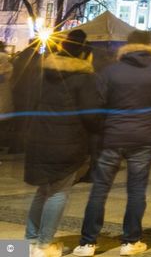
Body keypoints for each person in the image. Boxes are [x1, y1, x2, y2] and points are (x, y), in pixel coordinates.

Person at [74, 30, 151, 257]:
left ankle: (87, 243)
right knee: (136, 190)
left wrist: (102, 128)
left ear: (127, 45)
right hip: (144, 137)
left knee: (99, 190)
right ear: (149, 45)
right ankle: (130, 241)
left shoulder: (111, 71)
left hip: (112, 136)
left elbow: (96, 104)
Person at [25, 30, 101, 257]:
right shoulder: (83, 77)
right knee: (58, 192)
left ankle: (29, 242)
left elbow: (31, 102)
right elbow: (91, 115)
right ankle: (44, 245)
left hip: (40, 137)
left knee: (43, 191)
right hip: (67, 141)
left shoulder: (44, 73)